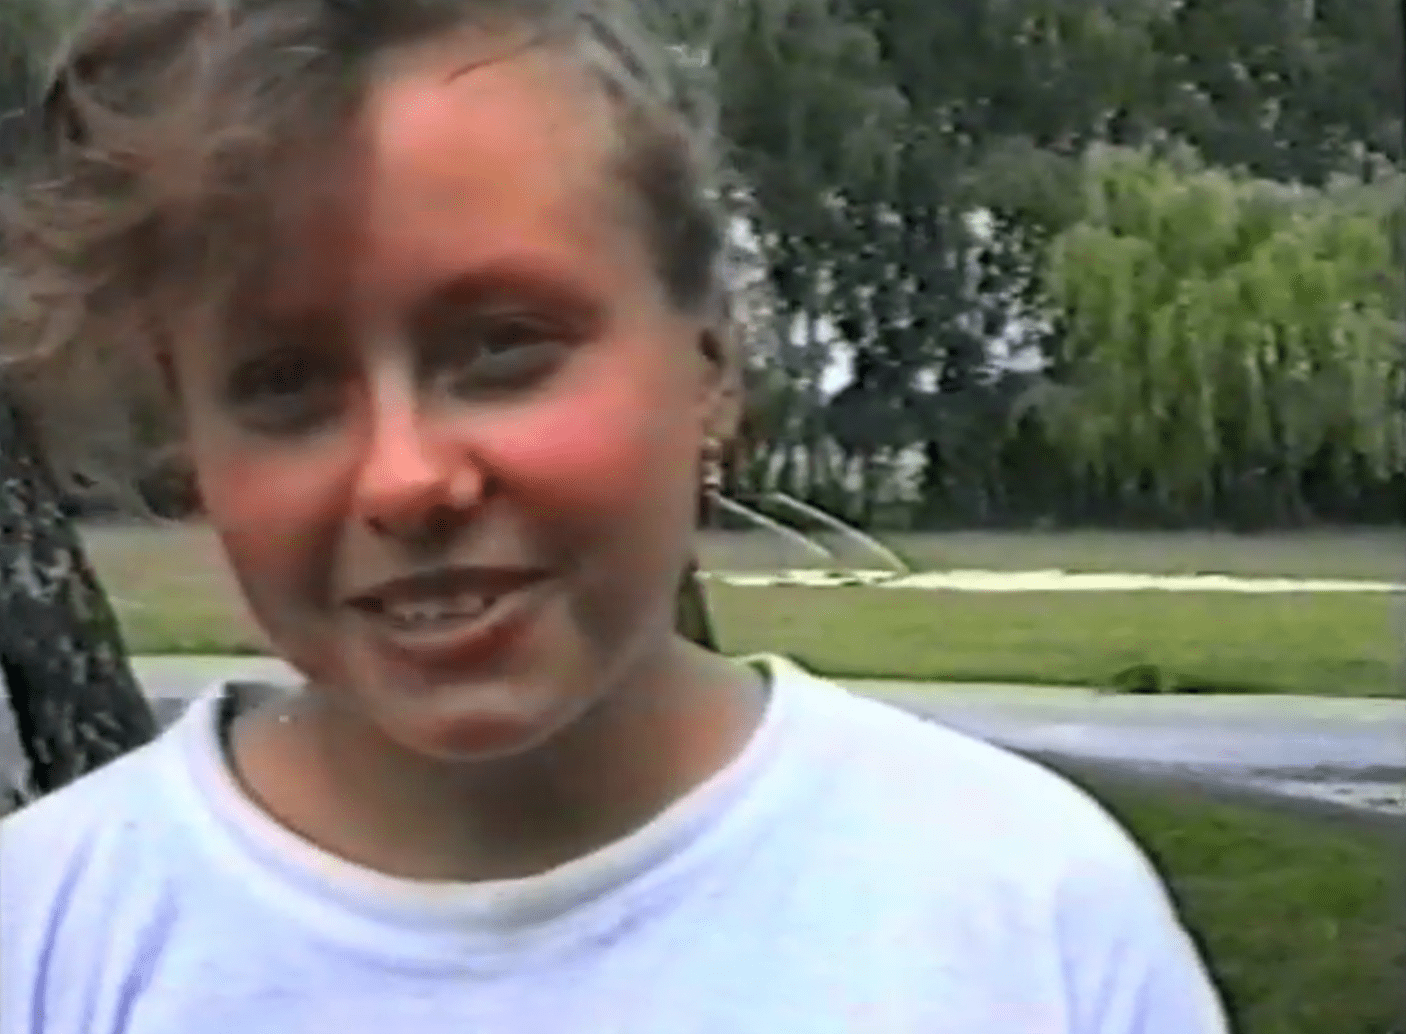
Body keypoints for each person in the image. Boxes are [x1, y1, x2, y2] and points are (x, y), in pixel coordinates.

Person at [0, 2, 1229, 1031]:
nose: (403, 479)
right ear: (190, 443)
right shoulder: (54, 932)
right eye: (284, 385)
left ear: (708, 367)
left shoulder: (1019, 906)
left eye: (502, 347)